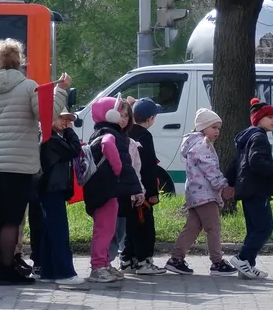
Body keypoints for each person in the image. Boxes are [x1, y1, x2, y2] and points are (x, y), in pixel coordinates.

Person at [0, 38, 42, 285]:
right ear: (19, 61)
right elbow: (42, 116)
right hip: (19, 162)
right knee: (12, 220)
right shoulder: (29, 86)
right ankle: (8, 269)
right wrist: (60, 93)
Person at [164, 108, 237, 275]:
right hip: (205, 194)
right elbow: (210, 169)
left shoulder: (195, 144)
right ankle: (217, 263)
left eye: (219, 128)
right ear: (202, 127)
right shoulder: (202, 145)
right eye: (213, 127)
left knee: (192, 227)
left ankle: (176, 259)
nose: (217, 131)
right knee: (213, 227)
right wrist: (223, 185)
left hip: (196, 193)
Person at [80, 97, 133, 284]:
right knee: (104, 230)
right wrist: (119, 168)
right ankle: (98, 267)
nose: (123, 118)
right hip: (105, 190)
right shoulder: (109, 133)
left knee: (107, 229)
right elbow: (108, 145)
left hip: (102, 189)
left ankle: (103, 263)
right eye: (119, 112)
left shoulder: (100, 131)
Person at [34, 105, 87, 288]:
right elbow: (74, 149)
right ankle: (65, 272)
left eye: (69, 120)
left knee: (50, 232)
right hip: (52, 189)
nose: (66, 123)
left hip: (50, 189)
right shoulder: (51, 139)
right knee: (59, 232)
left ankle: (49, 271)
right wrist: (71, 132)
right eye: (62, 118)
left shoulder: (51, 138)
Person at [228, 97, 273, 279]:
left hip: (247, 189)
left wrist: (229, 183)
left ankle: (247, 266)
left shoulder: (248, 137)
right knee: (264, 228)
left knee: (254, 228)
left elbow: (236, 164)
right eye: (269, 117)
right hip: (257, 189)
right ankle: (242, 258)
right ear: (258, 119)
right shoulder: (259, 137)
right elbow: (256, 161)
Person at [120, 98, 169, 275]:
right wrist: (152, 192)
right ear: (151, 118)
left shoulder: (126, 132)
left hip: (128, 188)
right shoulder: (145, 136)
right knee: (145, 227)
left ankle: (127, 260)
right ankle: (144, 262)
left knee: (132, 227)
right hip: (142, 191)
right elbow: (148, 166)